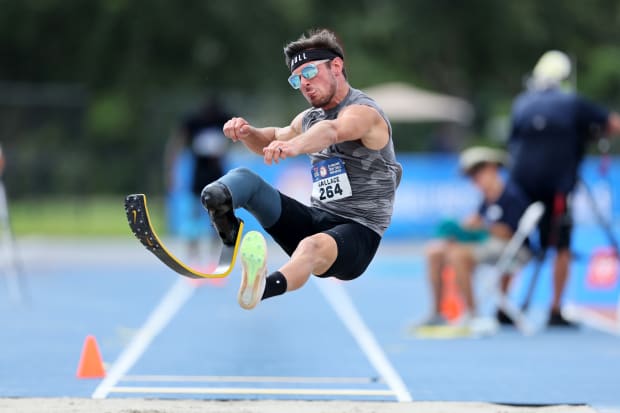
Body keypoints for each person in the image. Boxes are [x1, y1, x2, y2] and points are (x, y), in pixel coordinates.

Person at [200, 28, 402, 310]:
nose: (303, 84)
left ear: (336, 66)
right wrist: (246, 132)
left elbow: (333, 130)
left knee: (310, 247)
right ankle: (225, 224)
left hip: (358, 234)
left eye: (309, 73)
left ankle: (261, 287)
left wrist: (294, 147)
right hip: (316, 218)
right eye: (296, 80)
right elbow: (271, 139)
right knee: (242, 180)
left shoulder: (363, 112)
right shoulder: (309, 118)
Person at [507, 50, 620, 327]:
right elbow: (611, 125)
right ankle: (555, 309)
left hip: (520, 184)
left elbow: (512, 142)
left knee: (512, 242)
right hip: (557, 185)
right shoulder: (572, 102)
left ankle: (503, 304)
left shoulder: (522, 103)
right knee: (562, 246)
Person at [417, 147, 532, 330]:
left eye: (477, 174)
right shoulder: (486, 200)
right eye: (472, 177)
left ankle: (473, 314)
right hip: (490, 245)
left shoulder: (511, 195)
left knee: (458, 256)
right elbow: (478, 225)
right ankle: (437, 313)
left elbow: (511, 233)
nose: (474, 181)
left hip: (513, 250)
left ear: (491, 169)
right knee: (435, 251)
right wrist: (462, 231)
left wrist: (481, 228)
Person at [165, 97, 232, 260]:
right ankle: (193, 251)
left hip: (218, 177)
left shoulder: (223, 120)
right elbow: (176, 144)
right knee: (194, 214)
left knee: (218, 215)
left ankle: (215, 251)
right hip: (199, 177)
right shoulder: (193, 122)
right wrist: (171, 172)